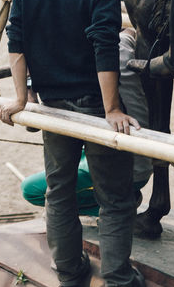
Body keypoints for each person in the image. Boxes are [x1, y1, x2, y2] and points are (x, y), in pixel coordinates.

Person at [0, 0, 145, 287]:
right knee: (114, 199)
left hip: (53, 106)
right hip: (94, 106)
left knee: (58, 191)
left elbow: (17, 40)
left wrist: (21, 98)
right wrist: (112, 107)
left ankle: (68, 276)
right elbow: (105, 44)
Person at [18, 29, 153, 215]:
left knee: (32, 190)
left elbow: (21, 42)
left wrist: (28, 91)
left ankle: (118, 203)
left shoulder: (84, 63)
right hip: (134, 159)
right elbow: (131, 31)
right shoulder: (120, 43)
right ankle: (120, 198)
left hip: (127, 167)